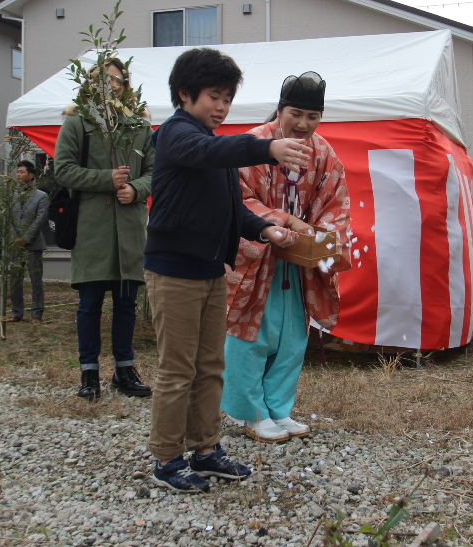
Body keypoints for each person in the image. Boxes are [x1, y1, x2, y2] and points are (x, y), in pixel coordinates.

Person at [143, 47, 310, 493]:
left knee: (210, 366)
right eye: (214, 97)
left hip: (210, 271)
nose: (221, 107)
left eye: (227, 99)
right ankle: (166, 459)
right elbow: (207, 151)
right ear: (185, 93)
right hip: (173, 270)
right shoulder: (176, 134)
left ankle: (206, 450)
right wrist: (268, 147)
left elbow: (235, 211)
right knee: (177, 369)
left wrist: (266, 231)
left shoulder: (214, 149)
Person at [223, 72, 351, 442]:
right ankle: (252, 412)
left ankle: (279, 408)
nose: (303, 124)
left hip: (297, 264)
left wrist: (319, 238)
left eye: (313, 116)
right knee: (252, 334)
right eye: (296, 113)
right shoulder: (253, 144)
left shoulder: (324, 153)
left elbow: (336, 203)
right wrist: (287, 222)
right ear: (280, 109)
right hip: (258, 256)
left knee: (292, 336)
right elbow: (238, 199)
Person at [55, 58, 154, 401]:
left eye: (117, 80)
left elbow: (155, 172)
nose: (110, 85)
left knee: (126, 303)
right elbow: (63, 171)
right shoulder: (77, 124)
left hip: (129, 228)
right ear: (89, 86)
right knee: (90, 304)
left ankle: (124, 370)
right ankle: (89, 374)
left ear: (125, 86)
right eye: (103, 80)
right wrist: (106, 180)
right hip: (93, 227)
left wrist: (137, 188)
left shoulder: (138, 126)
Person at [8, 160, 50, 324]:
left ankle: (37, 313)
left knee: (35, 280)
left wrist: (26, 238)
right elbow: (9, 218)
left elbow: (40, 220)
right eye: (17, 172)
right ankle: (16, 311)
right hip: (15, 243)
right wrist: (14, 237)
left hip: (33, 244)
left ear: (31, 175)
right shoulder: (12, 196)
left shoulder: (41, 196)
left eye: (22, 172)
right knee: (15, 279)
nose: (19, 174)